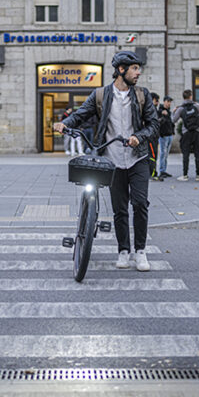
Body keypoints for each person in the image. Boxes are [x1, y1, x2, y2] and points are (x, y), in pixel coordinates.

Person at [53, 51, 159, 271]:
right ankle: (123, 251)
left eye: (138, 68)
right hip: (111, 160)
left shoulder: (142, 95)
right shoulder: (101, 95)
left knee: (140, 204)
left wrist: (139, 137)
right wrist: (64, 124)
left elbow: (153, 124)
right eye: (134, 68)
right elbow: (81, 114)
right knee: (119, 209)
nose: (138, 73)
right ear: (121, 70)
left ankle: (140, 251)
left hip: (138, 157)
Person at [172, 89, 199, 181]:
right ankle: (198, 175)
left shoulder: (181, 108)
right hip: (197, 131)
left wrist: (174, 111)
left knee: (186, 154)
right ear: (191, 96)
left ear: (183, 97)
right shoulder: (196, 106)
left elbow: (174, 120)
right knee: (197, 153)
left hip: (186, 132)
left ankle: (185, 175)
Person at [156, 95, 175, 178]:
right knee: (163, 154)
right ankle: (161, 171)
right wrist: (161, 113)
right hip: (163, 136)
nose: (169, 103)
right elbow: (158, 120)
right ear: (164, 102)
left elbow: (171, 123)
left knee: (166, 154)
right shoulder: (160, 111)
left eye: (170, 102)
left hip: (169, 135)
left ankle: (164, 170)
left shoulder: (169, 112)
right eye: (168, 101)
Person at [148, 93, 162, 181]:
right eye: (156, 100)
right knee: (152, 155)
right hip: (151, 137)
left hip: (154, 136)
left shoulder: (152, 109)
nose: (157, 102)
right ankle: (152, 174)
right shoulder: (150, 109)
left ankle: (153, 173)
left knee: (153, 155)